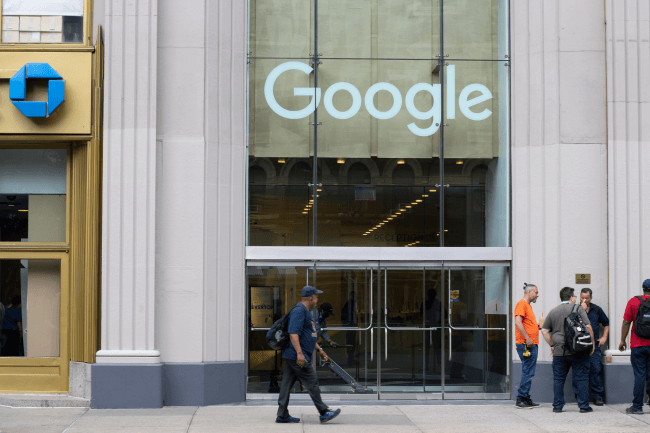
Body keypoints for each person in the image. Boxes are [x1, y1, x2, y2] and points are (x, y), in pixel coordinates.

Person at [276, 286, 341, 424]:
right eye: (316, 296)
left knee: (286, 385)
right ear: (310, 297)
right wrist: (300, 354)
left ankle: (282, 415)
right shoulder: (299, 311)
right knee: (312, 382)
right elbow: (293, 333)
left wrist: (319, 349)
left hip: (293, 355)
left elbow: (309, 335)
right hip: (297, 356)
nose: (317, 298)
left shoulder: (306, 311)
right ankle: (323, 411)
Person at [541, 287, 595, 413]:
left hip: (560, 351)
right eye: (574, 296)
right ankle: (583, 406)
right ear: (571, 297)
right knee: (581, 378)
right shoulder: (578, 308)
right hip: (578, 350)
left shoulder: (553, 311)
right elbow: (588, 327)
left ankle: (558, 406)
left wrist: (552, 344)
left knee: (559, 379)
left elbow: (544, 330)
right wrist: (591, 345)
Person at [618, 278, 650, 414]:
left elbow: (626, 323)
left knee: (639, 376)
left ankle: (637, 406)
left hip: (638, 345)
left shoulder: (633, 301)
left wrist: (622, 340)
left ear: (643, 288)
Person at [579, 288, 609, 406]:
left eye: (587, 298)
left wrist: (604, 337)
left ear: (591, 298)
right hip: (579, 347)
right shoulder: (575, 309)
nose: (584, 300)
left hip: (594, 347)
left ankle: (598, 397)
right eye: (582, 297)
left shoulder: (596, 309)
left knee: (596, 370)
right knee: (580, 372)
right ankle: (581, 397)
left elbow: (606, 323)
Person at [514, 283, 542, 408]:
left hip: (530, 343)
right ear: (529, 292)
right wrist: (527, 338)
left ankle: (525, 398)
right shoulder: (522, 304)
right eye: (536, 292)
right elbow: (518, 322)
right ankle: (521, 399)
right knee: (528, 372)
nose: (537, 295)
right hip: (526, 344)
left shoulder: (528, 306)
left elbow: (526, 324)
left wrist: (537, 327)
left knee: (529, 371)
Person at [341, 292, 357, 366]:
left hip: (351, 326)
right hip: (351, 326)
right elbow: (346, 314)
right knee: (351, 343)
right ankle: (350, 360)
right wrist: (350, 324)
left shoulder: (350, 303)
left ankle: (351, 359)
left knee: (352, 343)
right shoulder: (350, 303)